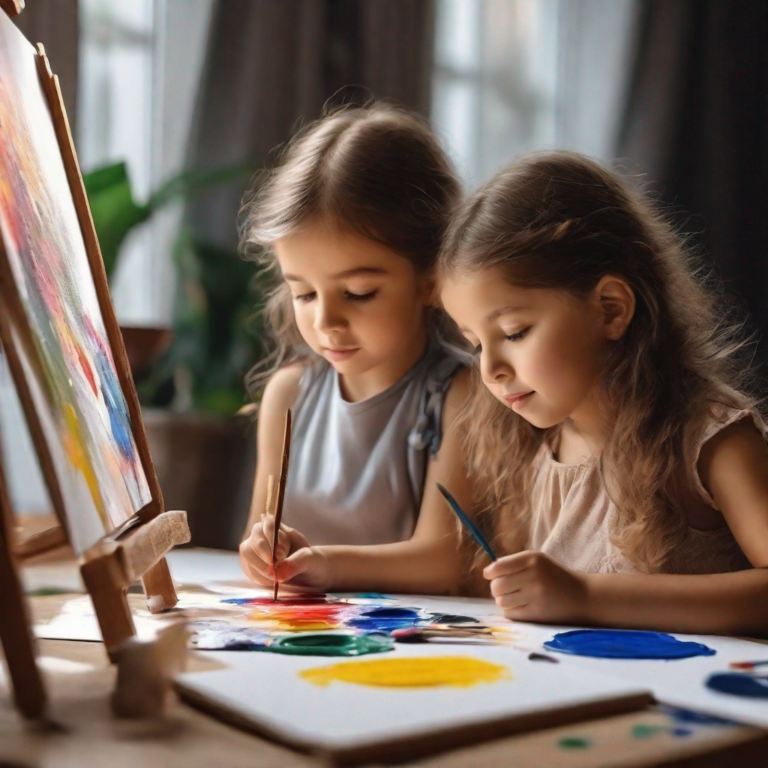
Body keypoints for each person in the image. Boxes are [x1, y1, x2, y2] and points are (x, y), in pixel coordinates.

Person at [437, 150, 768, 635]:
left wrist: (586, 595)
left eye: (514, 332)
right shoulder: (532, 447)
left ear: (611, 309)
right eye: (474, 344)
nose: (491, 370)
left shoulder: (710, 438)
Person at [238, 104, 472, 594]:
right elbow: (258, 540)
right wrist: (261, 554)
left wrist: (322, 564)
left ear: (431, 278)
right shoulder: (288, 397)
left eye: (359, 293)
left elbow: (443, 562)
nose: (325, 322)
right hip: (306, 639)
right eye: (303, 293)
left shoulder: (463, 396)